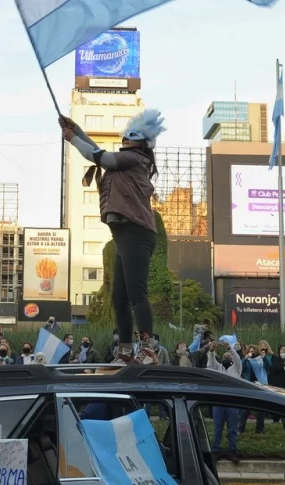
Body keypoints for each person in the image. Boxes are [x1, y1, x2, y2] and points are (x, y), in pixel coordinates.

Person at [60, 109, 166, 364]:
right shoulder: (126, 160)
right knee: (119, 298)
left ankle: (148, 349)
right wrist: (77, 130)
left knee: (136, 293)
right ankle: (127, 350)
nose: (127, 138)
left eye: (133, 136)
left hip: (136, 232)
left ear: (143, 143)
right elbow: (99, 153)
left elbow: (100, 157)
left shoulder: (134, 159)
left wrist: (73, 139)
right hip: (124, 235)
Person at [206, 340, 241, 465]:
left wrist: (230, 348)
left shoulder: (236, 369)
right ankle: (216, 451)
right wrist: (211, 350)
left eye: (229, 355)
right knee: (217, 428)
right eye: (225, 355)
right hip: (219, 401)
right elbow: (210, 362)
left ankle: (233, 451)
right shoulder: (218, 368)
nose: (227, 356)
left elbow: (237, 358)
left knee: (232, 429)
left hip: (232, 402)